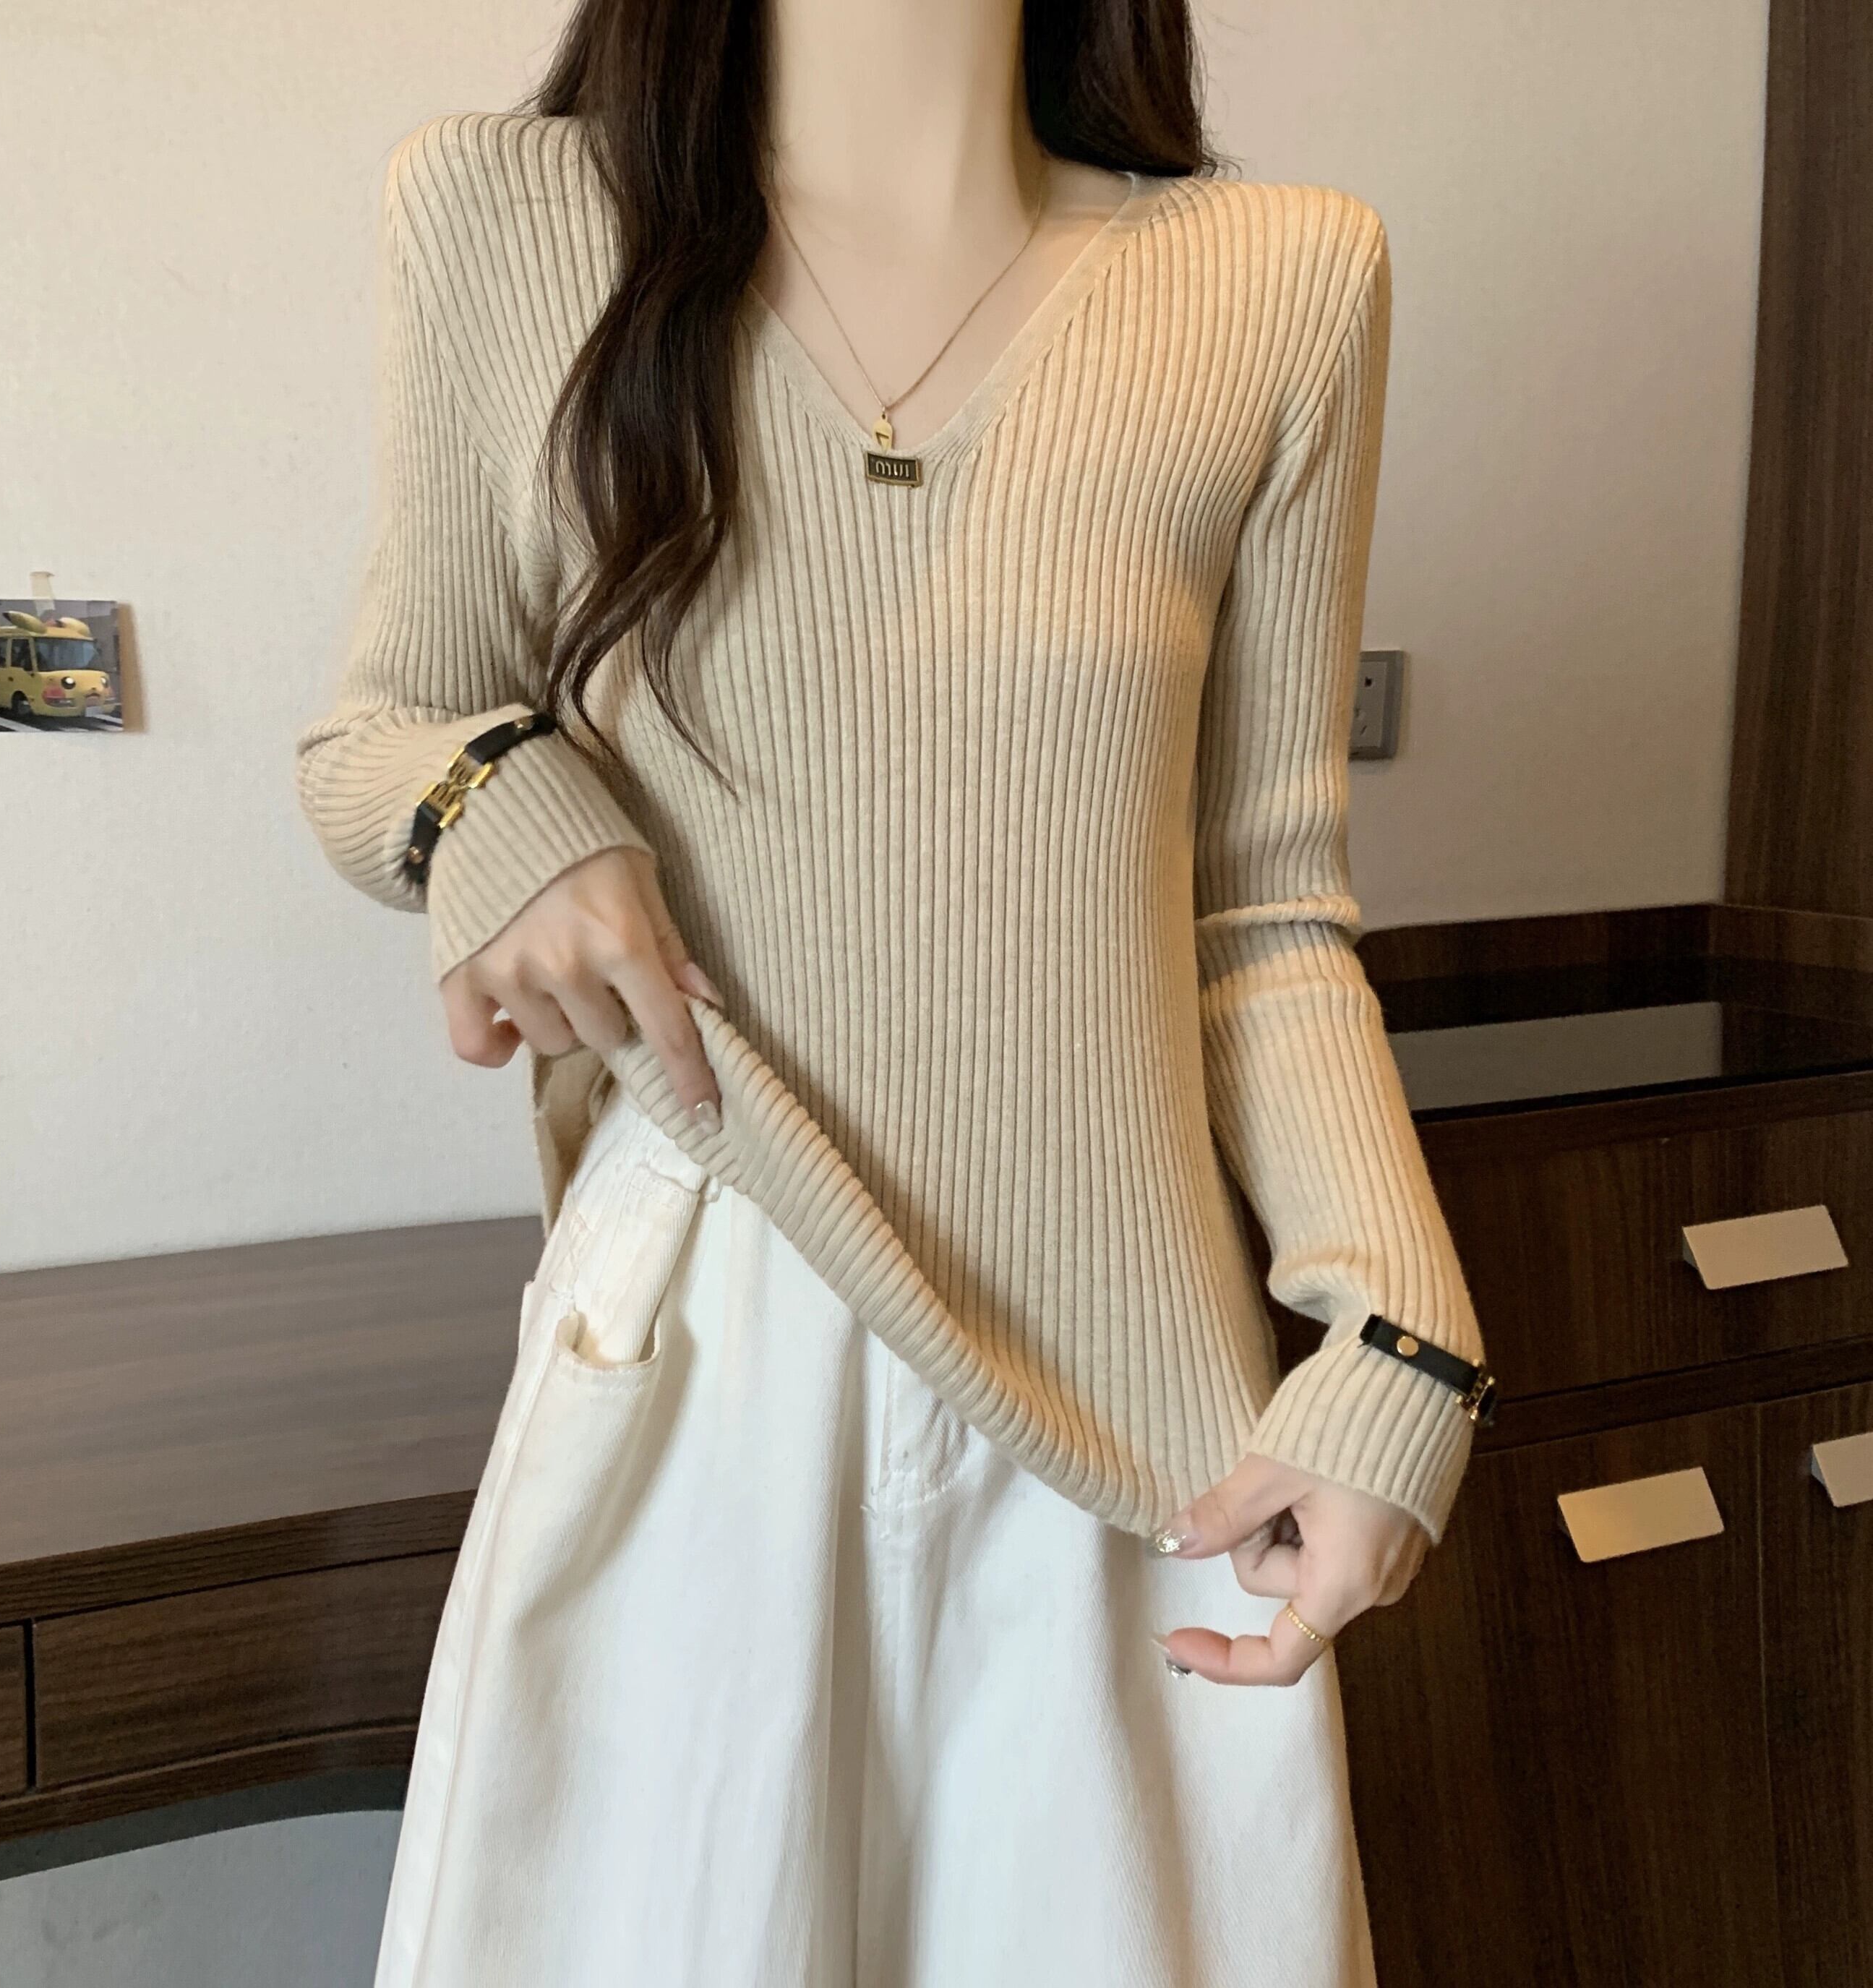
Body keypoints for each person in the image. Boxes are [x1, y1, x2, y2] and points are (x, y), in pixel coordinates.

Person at [295, 2, 1493, 1981]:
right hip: (709, 1320)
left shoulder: (1283, 280)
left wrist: (1405, 1336)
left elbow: (1261, 914)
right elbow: (381, 738)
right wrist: (507, 806)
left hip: (1122, 1364)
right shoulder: (512, 215)